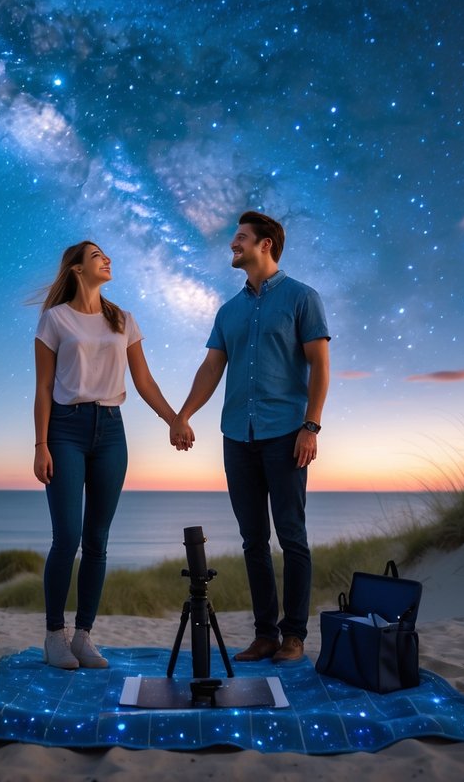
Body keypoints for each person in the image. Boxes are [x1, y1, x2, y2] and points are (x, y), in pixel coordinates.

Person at [169, 211, 330, 663]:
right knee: (253, 539)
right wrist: (183, 414)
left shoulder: (302, 298)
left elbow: (320, 365)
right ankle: (265, 635)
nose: (232, 245)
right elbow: (211, 369)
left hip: (286, 434)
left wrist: (311, 426)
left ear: (266, 245)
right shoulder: (229, 311)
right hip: (237, 436)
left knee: (292, 535)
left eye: (240, 239)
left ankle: (294, 635)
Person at [33, 240, 181, 669]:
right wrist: (41, 444)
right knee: (68, 537)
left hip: (112, 432)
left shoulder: (123, 319)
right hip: (64, 429)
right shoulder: (54, 319)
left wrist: (174, 419)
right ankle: (53, 636)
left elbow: (145, 381)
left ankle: (83, 636)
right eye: (97, 256)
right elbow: (43, 388)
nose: (107, 259)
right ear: (77, 269)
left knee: (97, 541)